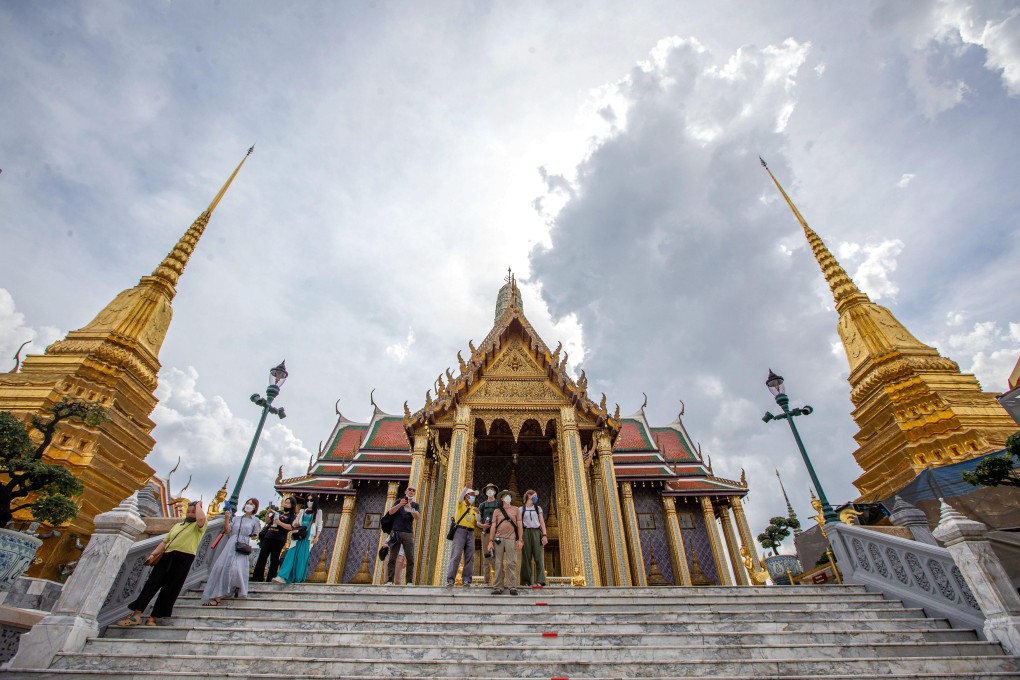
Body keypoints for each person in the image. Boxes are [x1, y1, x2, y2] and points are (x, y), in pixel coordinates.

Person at [116, 500, 207, 626]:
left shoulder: (199, 526)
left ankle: (154, 617)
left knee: (170, 588)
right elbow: (165, 542)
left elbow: (201, 519)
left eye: (193, 512)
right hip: (167, 555)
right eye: (189, 511)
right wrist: (153, 554)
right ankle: (136, 614)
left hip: (184, 558)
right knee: (151, 584)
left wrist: (198, 505)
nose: (191, 514)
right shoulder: (178, 526)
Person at [201, 498, 261, 606]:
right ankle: (217, 597)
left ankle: (237, 586)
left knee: (237, 569)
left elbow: (256, 535)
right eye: (248, 503)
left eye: (252, 504)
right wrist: (227, 518)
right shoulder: (237, 518)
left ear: (255, 507)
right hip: (232, 542)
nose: (249, 505)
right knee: (222, 568)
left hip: (243, 545)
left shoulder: (255, 520)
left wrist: (252, 536)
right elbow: (227, 530)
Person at [273, 495, 323, 584]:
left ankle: (297, 578)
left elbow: (319, 525)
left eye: (311, 500)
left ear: (315, 501)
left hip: (308, 537)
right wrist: (296, 523)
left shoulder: (318, 512)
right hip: (298, 534)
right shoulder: (302, 511)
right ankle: (282, 576)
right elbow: (294, 522)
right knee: (291, 554)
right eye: (307, 500)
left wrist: (317, 537)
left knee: (302, 557)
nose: (309, 501)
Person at [487, 489, 523, 595]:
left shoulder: (516, 510)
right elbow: (493, 526)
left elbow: (520, 525)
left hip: (511, 538)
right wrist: (490, 541)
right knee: (498, 563)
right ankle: (498, 587)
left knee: (511, 562)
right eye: (505, 496)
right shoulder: (497, 511)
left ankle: (512, 586)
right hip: (498, 538)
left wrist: (520, 539)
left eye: (509, 496)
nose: (507, 497)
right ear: (502, 498)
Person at [253, 497, 298, 582]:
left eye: (288, 503)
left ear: (292, 505)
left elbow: (291, 527)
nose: (286, 504)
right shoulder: (278, 512)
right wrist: (267, 514)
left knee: (274, 559)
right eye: (285, 502)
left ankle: (270, 578)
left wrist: (279, 523)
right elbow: (268, 522)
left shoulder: (292, 516)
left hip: (279, 538)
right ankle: (257, 577)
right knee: (262, 557)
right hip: (269, 536)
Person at [385, 485, 420, 585]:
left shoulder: (415, 505)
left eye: (413, 490)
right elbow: (391, 512)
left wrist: (409, 508)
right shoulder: (398, 502)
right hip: (396, 532)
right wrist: (400, 504)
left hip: (408, 532)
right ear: (406, 491)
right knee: (392, 557)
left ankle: (409, 581)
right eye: (410, 489)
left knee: (410, 557)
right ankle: (389, 580)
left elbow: (417, 517)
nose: (411, 491)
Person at [445, 487, 478, 587]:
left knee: (469, 556)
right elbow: (460, 498)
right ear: (466, 496)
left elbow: (478, 522)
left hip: (470, 533)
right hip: (460, 531)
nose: (473, 497)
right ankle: (451, 580)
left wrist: (479, 514)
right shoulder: (460, 505)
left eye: (474, 496)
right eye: (471, 495)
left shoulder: (474, 509)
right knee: (456, 555)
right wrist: (466, 488)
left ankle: (467, 580)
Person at [519, 489, 548, 588]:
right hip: (526, 532)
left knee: (539, 557)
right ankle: (526, 581)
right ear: (529, 496)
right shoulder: (521, 509)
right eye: (534, 495)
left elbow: (542, 522)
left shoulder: (538, 508)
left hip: (536, 532)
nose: (536, 497)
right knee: (526, 558)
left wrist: (544, 535)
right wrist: (520, 538)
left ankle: (540, 581)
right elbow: (519, 525)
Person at [476, 482, 500, 585]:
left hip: (497, 534)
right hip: (485, 533)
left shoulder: (499, 504)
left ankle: (499, 581)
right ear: (486, 492)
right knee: (486, 557)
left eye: (491, 489)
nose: (490, 491)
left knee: (497, 558)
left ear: (494, 492)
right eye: (487, 489)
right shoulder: (482, 505)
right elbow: (478, 521)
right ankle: (486, 581)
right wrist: (481, 525)